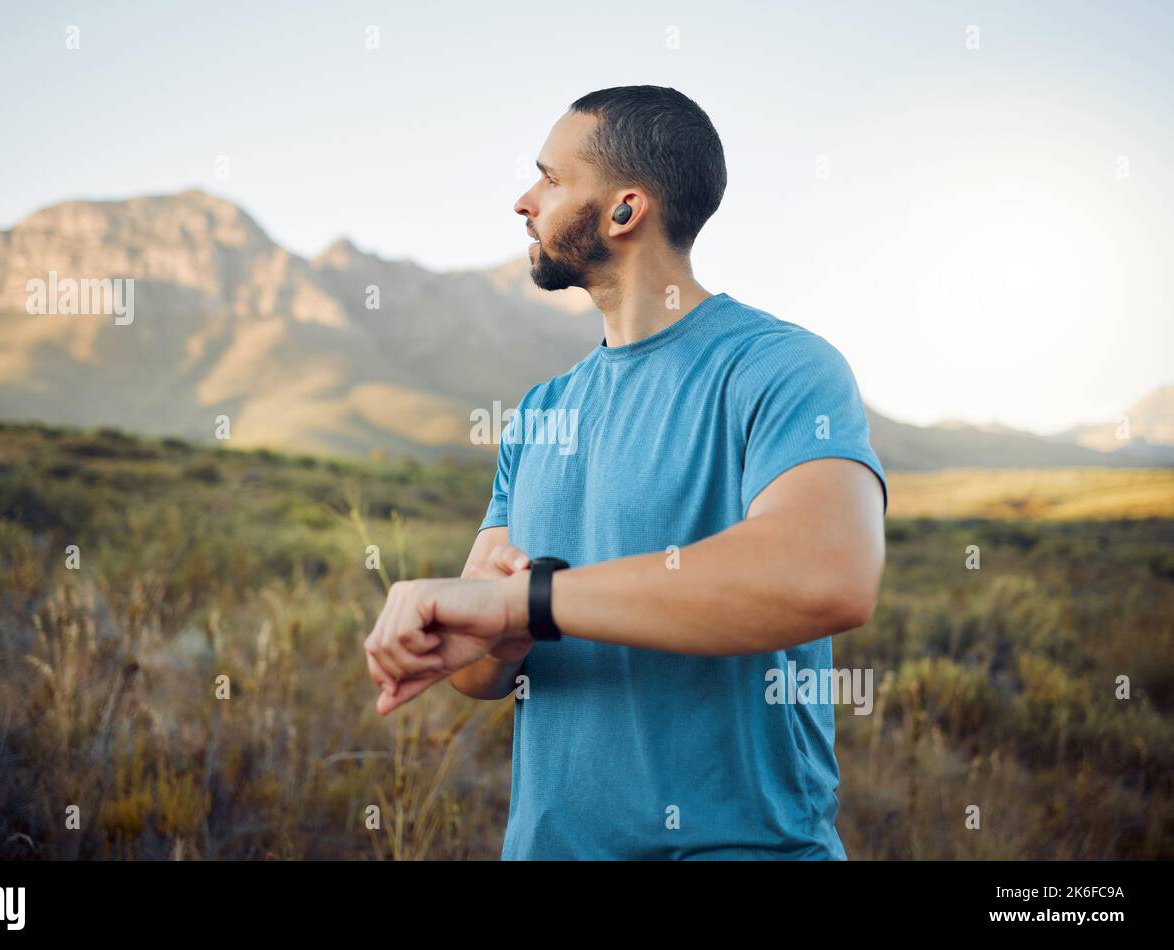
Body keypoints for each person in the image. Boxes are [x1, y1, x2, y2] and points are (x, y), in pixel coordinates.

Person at [363, 85, 888, 860]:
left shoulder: (780, 368)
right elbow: (482, 671)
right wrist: (489, 637)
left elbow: (828, 576)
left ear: (623, 211)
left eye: (549, 179)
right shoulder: (541, 411)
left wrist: (528, 603)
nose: (523, 201)